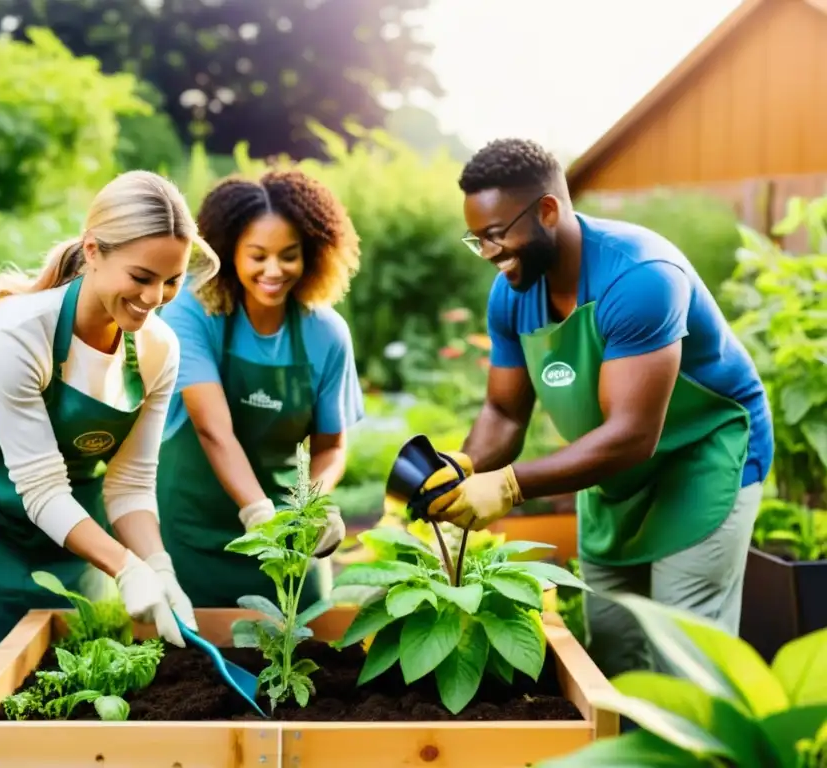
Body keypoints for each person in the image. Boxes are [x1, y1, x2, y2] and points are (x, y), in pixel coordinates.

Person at [421, 138, 773, 679]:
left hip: (702, 459)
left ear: (547, 211)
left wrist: (511, 486)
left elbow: (633, 435)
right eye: (478, 240)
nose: (489, 253)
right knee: (610, 642)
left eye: (496, 236)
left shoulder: (640, 277)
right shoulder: (512, 293)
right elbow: (504, 412)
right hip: (608, 471)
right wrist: (465, 466)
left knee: (685, 648)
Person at [0, 170, 219, 767]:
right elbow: (40, 486)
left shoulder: (158, 349)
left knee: (68, 719)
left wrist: (158, 565)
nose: (154, 298)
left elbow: (129, 483)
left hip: (71, 543)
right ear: (95, 251)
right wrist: (125, 566)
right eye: (142, 277)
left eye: (172, 281)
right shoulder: (17, 333)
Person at [155, 167, 364, 610]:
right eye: (257, 255)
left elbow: (332, 445)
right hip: (195, 529)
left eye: (289, 255)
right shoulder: (191, 313)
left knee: (305, 643)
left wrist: (311, 506)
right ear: (228, 252)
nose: (274, 270)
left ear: (312, 254)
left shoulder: (326, 333)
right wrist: (257, 513)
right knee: (187, 668)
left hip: (287, 537)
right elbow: (214, 430)